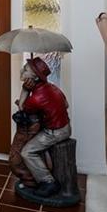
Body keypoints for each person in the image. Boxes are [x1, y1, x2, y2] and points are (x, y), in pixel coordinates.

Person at [15, 56, 71, 199]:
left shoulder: (37, 97)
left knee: (27, 152)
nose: (22, 70)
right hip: (65, 126)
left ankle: (48, 182)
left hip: (55, 132)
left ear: (34, 77)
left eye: (26, 70)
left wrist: (24, 90)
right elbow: (66, 105)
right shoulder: (52, 87)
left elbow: (22, 108)